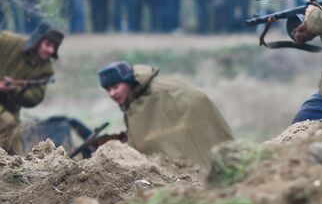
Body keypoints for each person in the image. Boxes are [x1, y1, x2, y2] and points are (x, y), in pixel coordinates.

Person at [98, 60, 234, 170]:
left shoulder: (156, 93)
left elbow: (195, 101)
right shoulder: (134, 102)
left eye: (115, 87)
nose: (112, 94)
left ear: (127, 81)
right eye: (108, 90)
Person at [0, 23, 63, 154]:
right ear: (38, 41)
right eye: (47, 44)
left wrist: (14, 89)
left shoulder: (46, 70)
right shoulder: (8, 41)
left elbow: (35, 97)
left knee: (14, 135)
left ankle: (15, 168)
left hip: (10, 105)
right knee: (7, 123)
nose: (50, 50)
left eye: (54, 47)